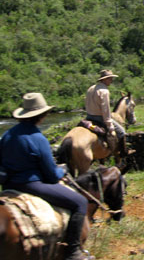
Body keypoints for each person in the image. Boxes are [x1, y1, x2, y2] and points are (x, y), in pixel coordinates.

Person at [0, 93, 93, 260]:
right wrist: (62, 170)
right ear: (43, 115)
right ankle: (73, 252)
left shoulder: (6, 135)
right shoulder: (37, 138)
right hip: (32, 184)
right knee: (80, 202)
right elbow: (50, 175)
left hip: (8, 185)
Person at [85, 69, 132, 157]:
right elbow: (105, 109)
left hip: (89, 117)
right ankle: (123, 153)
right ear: (104, 79)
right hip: (99, 118)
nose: (111, 80)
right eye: (109, 78)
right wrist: (110, 125)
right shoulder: (104, 91)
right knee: (121, 132)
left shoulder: (91, 88)